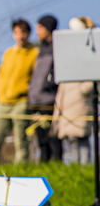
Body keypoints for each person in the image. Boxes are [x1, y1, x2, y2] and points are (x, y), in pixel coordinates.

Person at [0, 19, 38, 165]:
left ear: (28, 34)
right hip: (2, 103)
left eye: (23, 32)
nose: (20, 36)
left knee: (20, 141)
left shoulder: (34, 53)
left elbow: (36, 78)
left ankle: (20, 171)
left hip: (21, 103)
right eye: (17, 32)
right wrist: (0, 93)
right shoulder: (8, 53)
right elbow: (1, 75)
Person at [51, 16, 96, 164]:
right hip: (67, 107)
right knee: (70, 144)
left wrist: (84, 90)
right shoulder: (67, 56)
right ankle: (74, 171)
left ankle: (84, 170)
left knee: (82, 143)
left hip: (81, 106)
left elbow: (92, 79)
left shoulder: (91, 53)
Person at [29, 14, 62, 162]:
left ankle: (57, 165)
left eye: (40, 28)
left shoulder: (58, 48)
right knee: (41, 139)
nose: (37, 32)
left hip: (50, 100)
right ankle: (44, 168)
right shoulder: (40, 50)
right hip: (37, 100)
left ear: (48, 29)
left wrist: (50, 84)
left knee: (53, 137)